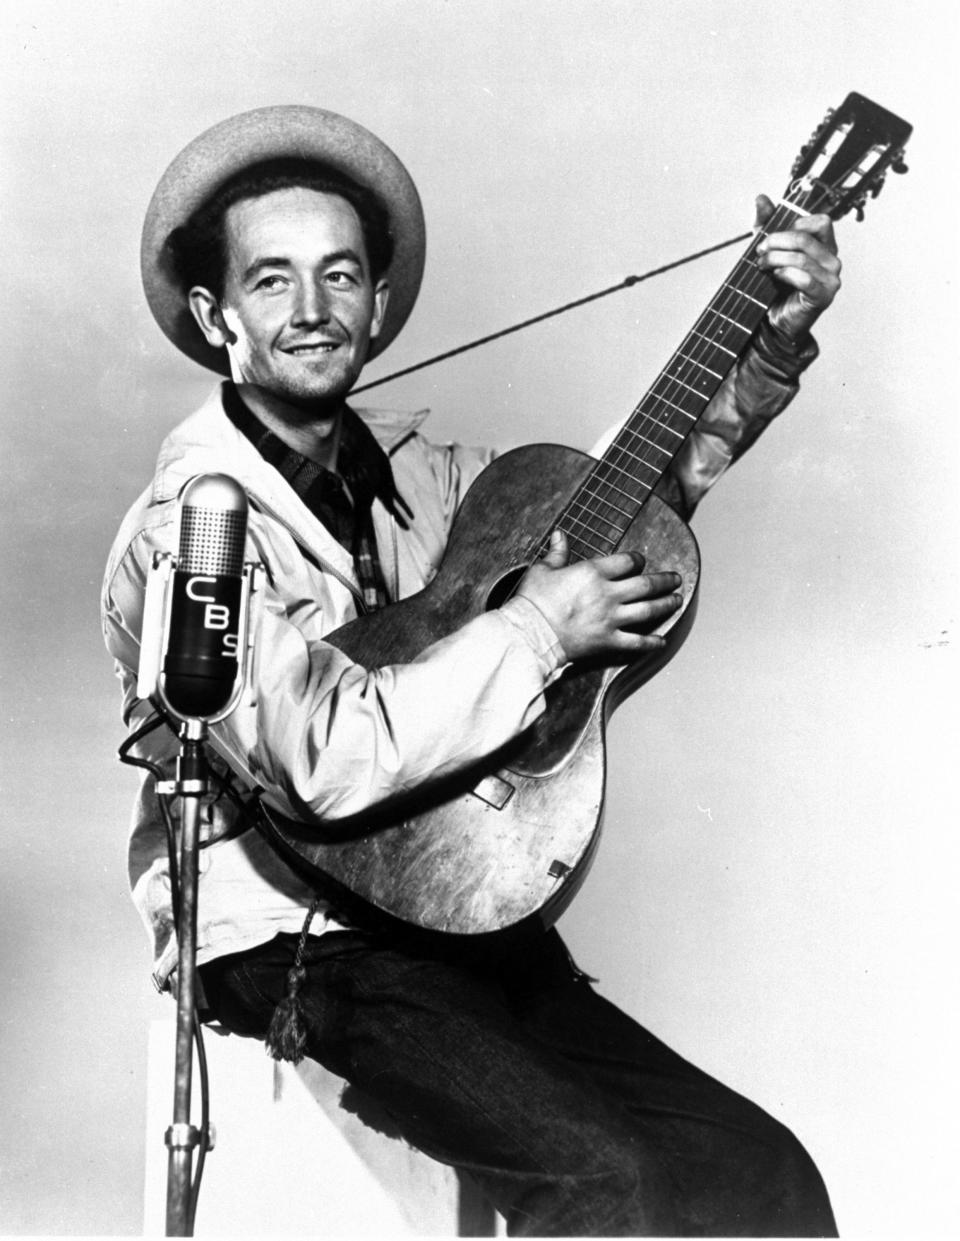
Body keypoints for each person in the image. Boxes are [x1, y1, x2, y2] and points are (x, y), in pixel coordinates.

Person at [102, 105, 841, 1235]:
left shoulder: (428, 477)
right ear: (216, 316)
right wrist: (542, 630)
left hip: (451, 912)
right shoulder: (187, 530)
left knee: (757, 1164)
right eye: (272, 282)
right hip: (295, 941)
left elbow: (608, 520)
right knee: (604, 1175)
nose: (313, 313)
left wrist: (766, 348)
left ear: (380, 302)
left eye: (341, 276)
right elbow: (318, 761)